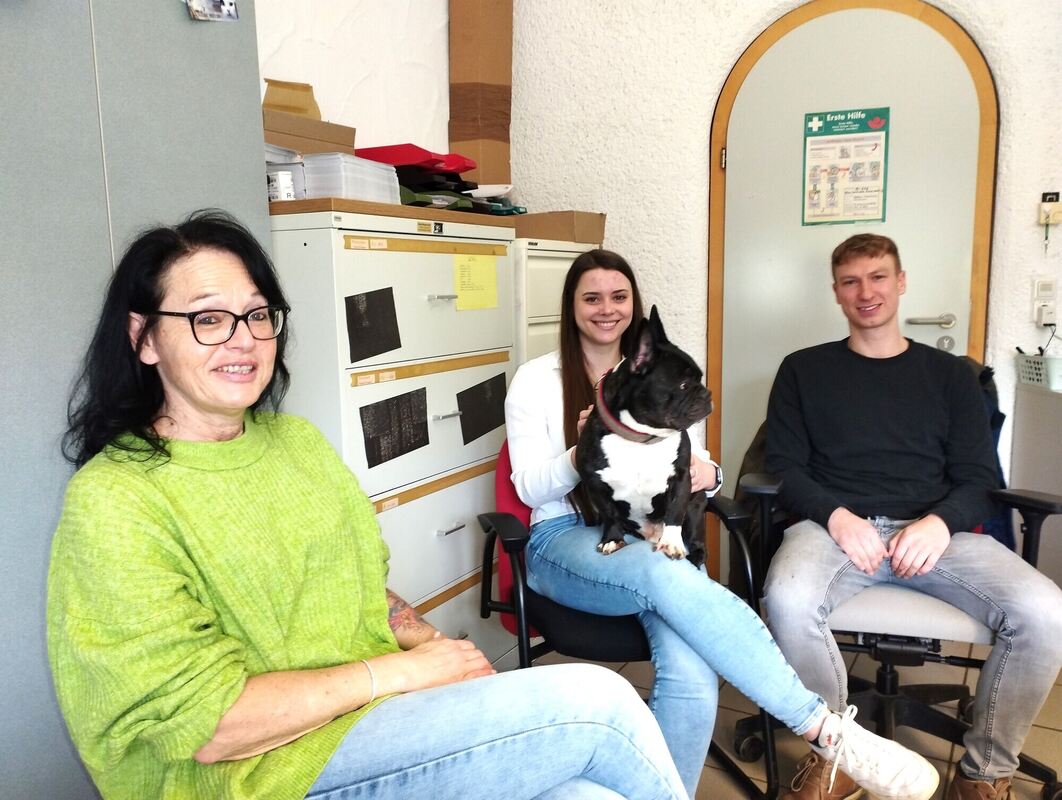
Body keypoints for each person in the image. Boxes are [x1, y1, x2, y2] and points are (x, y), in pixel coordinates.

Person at [46, 210, 694, 800]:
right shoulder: (115, 500)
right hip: (260, 773)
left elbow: (361, 588)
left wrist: (443, 652)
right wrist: (402, 674)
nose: (243, 340)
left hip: (371, 720)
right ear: (144, 337)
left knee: (588, 796)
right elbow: (211, 727)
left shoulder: (295, 443)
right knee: (599, 702)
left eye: (257, 315)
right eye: (208, 319)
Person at [504, 248, 941, 800]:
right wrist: (590, 446)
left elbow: (703, 471)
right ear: (571, 307)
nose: (607, 309)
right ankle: (824, 729)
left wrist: (703, 471)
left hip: (649, 535)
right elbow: (528, 490)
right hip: (564, 538)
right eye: (592, 298)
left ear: (634, 304)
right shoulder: (536, 380)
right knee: (666, 574)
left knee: (692, 669)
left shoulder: (659, 373)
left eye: (619, 296)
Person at [763, 233, 1062, 800]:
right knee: (787, 599)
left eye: (878, 277)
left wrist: (939, 523)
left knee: (1047, 612)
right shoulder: (803, 369)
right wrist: (837, 516)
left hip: (933, 535)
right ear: (836, 292)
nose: (865, 292)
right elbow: (783, 467)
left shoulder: (950, 376)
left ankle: (983, 773)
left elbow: (979, 479)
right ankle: (839, 757)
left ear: (900, 282)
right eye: (851, 281)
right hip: (833, 530)